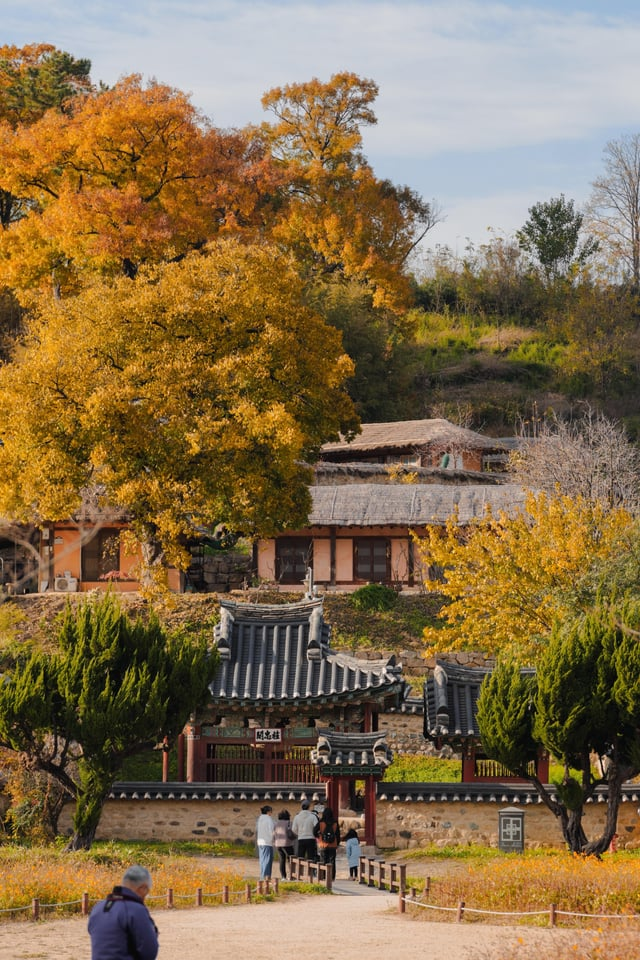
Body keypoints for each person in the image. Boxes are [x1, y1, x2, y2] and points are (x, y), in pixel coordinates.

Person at [88, 864, 158, 960]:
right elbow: (149, 952)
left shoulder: (98, 907)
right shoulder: (136, 910)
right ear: (143, 888)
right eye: (147, 891)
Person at [314, 805, 340, 880]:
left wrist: (319, 837)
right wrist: (337, 843)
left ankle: (323, 876)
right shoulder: (335, 823)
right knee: (332, 861)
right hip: (333, 844)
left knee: (323, 860)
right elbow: (337, 834)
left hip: (323, 844)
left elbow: (314, 831)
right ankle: (331, 877)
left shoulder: (321, 822)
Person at [273, 808, 295, 879]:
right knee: (291, 859)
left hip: (278, 844)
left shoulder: (276, 824)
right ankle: (292, 876)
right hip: (287, 844)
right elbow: (293, 832)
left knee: (282, 860)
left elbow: (274, 834)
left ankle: (283, 877)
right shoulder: (289, 823)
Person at [255, 803, 276, 880]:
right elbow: (271, 830)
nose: (271, 814)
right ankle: (266, 877)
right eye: (271, 812)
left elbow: (257, 829)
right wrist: (273, 839)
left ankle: (262, 875)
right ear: (268, 812)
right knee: (267, 860)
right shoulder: (268, 819)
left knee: (262, 859)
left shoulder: (259, 819)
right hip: (267, 842)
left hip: (260, 841)